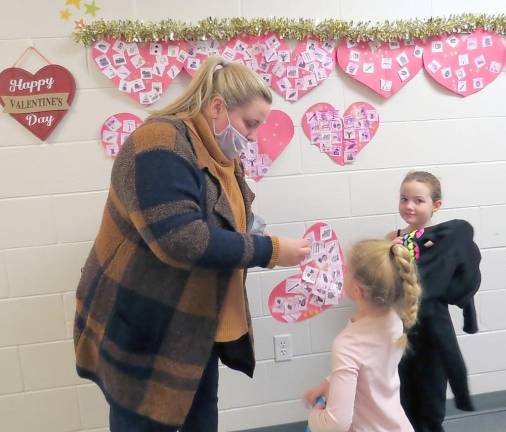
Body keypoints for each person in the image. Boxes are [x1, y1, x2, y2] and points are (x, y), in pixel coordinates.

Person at [74, 56, 310, 432]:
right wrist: (270, 250)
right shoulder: (159, 142)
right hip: (145, 321)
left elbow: (228, 221)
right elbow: (181, 238)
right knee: (143, 419)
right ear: (217, 107)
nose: (252, 136)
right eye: (250, 123)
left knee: (201, 419)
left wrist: (252, 232)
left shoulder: (222, 156)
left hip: (195, 325)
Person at [387, 171, 481, 432]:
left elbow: (461, 282)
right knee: (400, 397)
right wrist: (388, 253)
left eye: (418, 200)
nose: (409, 206)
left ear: (435, 205)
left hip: (432, 329)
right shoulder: (391, 237)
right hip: (398, 328)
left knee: (430, 400)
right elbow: (380, 282)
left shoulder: (445, 239)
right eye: (404, 199)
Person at [304, 239, 421, 432]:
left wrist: (314, 416)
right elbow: (368, 367)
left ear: (357, 290)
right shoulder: (393, 320)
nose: (342, 270)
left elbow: (336, 424)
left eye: (347, 269)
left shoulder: (347, 344)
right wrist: (327, 383)